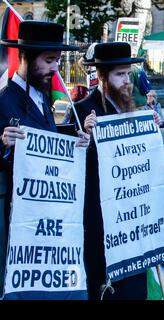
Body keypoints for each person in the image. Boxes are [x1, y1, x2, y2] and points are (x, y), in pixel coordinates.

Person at [0, 21, 81, 296]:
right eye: (49, 61)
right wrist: (4, 146)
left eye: (57, 60)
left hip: (49, 225)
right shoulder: (3, 101)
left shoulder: (43, 100)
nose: (55, 68)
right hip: (20, 229)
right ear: (25, 57)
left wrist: (76, 145)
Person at [74, 42, 149, 300]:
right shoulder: (83, 109)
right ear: (101, 76)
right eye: (120, 75)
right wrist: (85, 135)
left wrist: (153, 127)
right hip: (100, 215)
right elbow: (70, 162)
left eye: (128, 74)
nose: (126, 81)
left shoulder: (133, 105)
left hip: (132, 211)